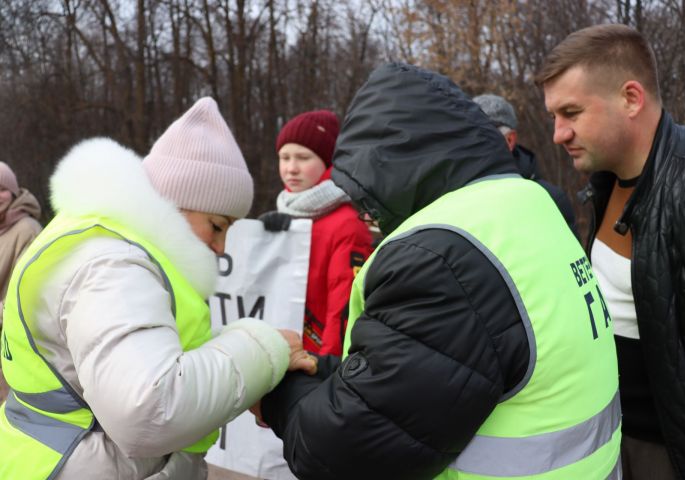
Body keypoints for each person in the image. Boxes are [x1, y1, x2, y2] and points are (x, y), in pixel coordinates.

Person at [252, 63, 621, 479]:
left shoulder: (439, 258)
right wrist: (323, 373)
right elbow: (441, 366)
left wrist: (276, 390)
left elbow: (343, 454)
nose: (366, 211)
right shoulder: (529, 202)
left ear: (389, 169)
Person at [0, 97, 316, 479]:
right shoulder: (113, 264)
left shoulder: (109, 247)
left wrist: (241, 349)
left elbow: (147, 356)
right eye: (217, 226)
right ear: (173, 204)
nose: (221, 248)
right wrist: (264, 348)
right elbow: (148, 409)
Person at [536, 24, 685, 479]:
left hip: (682, 455)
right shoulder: (603, 184)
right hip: (610, 440)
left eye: (571, 112)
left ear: (631, 99)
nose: (559, 133)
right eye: (554, 117)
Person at [259, 110, 373, 356]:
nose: (291, 168)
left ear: (327, 162)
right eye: (284, 157)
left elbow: (344, 307)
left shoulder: (347, 225)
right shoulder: (284, 214)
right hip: (276, 354)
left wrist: (326, 368)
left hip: (314, 362)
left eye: (303, 157)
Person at [472, 94, 577, 235]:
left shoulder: (548, 201)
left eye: (481, 134)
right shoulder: (452, 195)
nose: (471, 142)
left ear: (509, 140)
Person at [0, 161, 43, 402]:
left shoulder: (27, 230)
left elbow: (28, 295)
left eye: (2, 189)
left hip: (13, 348)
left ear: (15, 192)